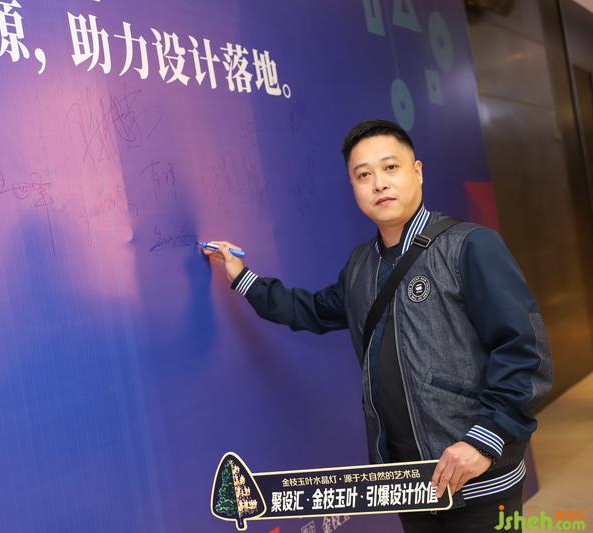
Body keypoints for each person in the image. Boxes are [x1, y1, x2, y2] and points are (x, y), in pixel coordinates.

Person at [202, 119, 552, 533]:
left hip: (477, 476)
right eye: (364, 175)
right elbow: (311, 310)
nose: (379, 183)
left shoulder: (470, 245)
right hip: (410, 484)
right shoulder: (360, 266)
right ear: (353, 187)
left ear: (417, 172)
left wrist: (485, 441)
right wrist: (243, 277)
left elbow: (524, 352)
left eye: (390, 168)